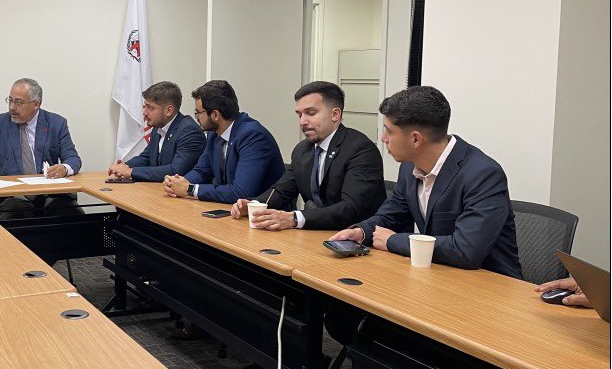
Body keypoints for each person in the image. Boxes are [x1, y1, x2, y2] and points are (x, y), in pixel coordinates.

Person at [329, 85, 521, 278]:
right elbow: (391, 215)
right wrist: (361, 232)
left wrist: (392, 241)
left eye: (389, 131)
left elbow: (466, 250)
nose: (383, 138)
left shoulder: (483, 174)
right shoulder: (409, 166)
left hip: (492, 288)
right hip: (440, 276)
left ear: (415, 139)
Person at [232, 81, 386, 230]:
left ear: (335, 114)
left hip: (358, 240)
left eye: (311, 113)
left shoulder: (361, 149)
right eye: (299, 115)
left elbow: (350, 209)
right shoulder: (302, 150)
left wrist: (294, 218)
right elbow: (281, 191)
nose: (302, 122)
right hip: (316, 234)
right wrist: (253, 205)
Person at [0, 78, 82, 219]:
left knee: (70, 214)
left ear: (36, 104)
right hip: (9, 194)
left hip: (49, 193)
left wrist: (64, 168)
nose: (12, 107)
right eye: (10, 100)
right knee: (17, 212)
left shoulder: (56, 123)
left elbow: (72, 158)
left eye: (18, 102)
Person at [163, 80, 284, 203]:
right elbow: (202, 171)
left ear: (215, 115)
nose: (197, 117)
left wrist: (190, 189)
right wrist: (178, 183)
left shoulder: (252, 136)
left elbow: (241, 192)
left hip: (264, 216)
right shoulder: (214, 133)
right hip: (231, 210)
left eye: (198, 113)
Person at [108, 81, 205, 182]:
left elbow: (176, 171)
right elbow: (146, 158)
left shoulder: (189, 131)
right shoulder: (158, 125)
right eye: (145, 106)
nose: (144, 112)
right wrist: (123, 166)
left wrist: (130, 172)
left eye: (151, 108)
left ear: (169, 110)